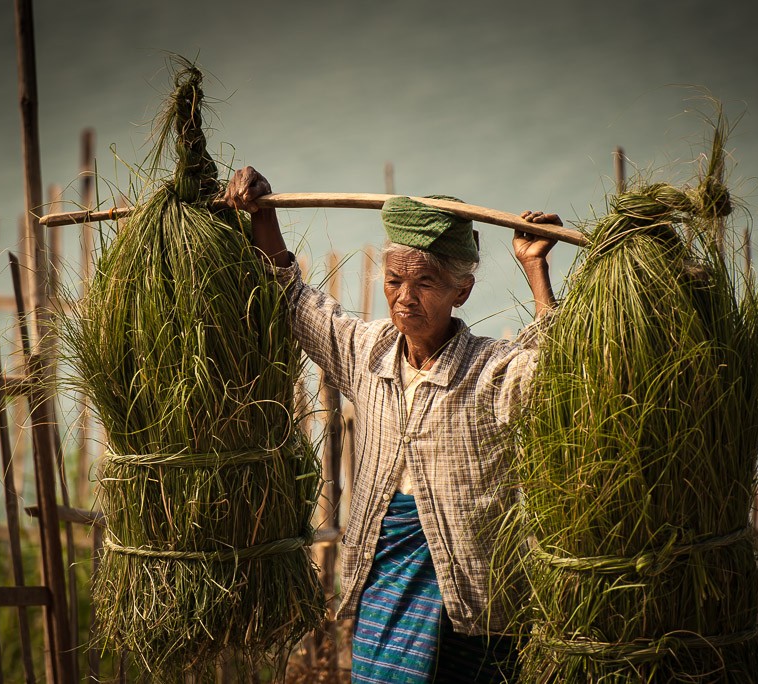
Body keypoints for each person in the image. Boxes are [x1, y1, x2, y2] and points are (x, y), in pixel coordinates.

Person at [225, 167, 561, 683]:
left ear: (462, 291)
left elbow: (556, 374)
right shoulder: (368, 351)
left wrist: (535, 269)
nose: (405, 297)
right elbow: (290, 296)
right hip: (387, 574)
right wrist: (264, 213)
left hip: (475, 585)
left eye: (426, 282)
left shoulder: (490, 369)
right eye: (393, 280)